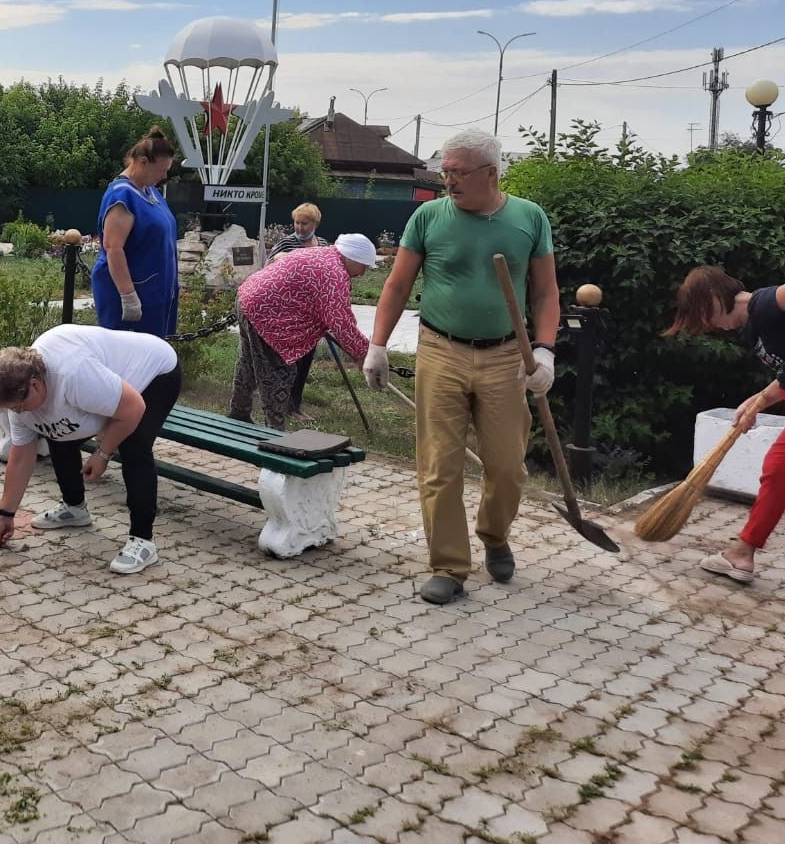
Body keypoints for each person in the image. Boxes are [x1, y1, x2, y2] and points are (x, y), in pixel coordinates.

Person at [363, 128, 559, 605]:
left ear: (491, 173)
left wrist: (546, 348)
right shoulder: (429, 217)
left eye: (457, 173)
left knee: (508, 466)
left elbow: (545, 292)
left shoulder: (528, 217)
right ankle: (449, 565)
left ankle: (494, 534)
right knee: (439, 466)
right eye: (444, 171)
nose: (447, 181)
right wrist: (378, 345)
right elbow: (397, 285)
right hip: (441, 350)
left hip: (506, 357)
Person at [665, 266, 785, 612]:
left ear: (713, 299)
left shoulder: (763, 304)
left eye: (704, 316)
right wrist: (758, 402)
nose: (709, 326)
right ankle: (741, 553)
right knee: (778, 471)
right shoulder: (755, 327)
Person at [0, 324, 182, 574]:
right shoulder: (19, 400)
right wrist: (5, 514)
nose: (18, 413)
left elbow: (133, 409)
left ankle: (143, 540)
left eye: (20, 407)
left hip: (154, 373)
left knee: (134, 446)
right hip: (107, 383)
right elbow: (21, 458)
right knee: (55, 429)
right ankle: (75, 508)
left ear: (34, 385)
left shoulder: (73, 374)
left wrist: (103, 453)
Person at [230, 233, 378, 428]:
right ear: (351, 258)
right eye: (363, 266)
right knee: (278, 371)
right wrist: (364, 353)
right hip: (266, 314)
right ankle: (274, 432)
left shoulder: (322, 254)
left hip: (248, 299)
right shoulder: (335, 274)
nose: (363, 273)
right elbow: (342, 322)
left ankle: (239, 413)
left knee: (249, 361)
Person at [90, 127, 179, 337]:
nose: (165, 175)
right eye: (161, 170)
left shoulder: (151, 192)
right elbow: (113, 247)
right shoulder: (122, 196)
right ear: (142, 162)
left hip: (156, 292)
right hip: (135, 294)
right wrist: (128, 295)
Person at [267, 202, 324, 416]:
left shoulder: (323, 244)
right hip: (288, 312)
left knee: (305, 360)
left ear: (315, 223)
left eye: (304, 223)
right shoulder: (287, 242)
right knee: (287, 361)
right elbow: (269, 268)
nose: (299, 228)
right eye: (297, 223)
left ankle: (295, 406)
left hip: (312, 314)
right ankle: (279, 405)